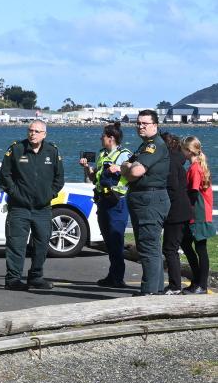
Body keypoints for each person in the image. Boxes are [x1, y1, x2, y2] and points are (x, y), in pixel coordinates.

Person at [0, 120, 65, 291]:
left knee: (42, 243)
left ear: (44, 134)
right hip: (19, 208)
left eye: (36, 131)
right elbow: (5, 176)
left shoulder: (52, 151)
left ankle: (36, 277)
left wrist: (50, 194)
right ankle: (13, 279)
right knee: (16, 244)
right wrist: (16, 194)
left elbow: (59, 178)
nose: (32, 134)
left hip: (42, 209)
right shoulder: (16, 149)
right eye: (30, 130)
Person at [121, 109, 170, 296]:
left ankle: (149, 293)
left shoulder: (154, 146)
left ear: (155, 126)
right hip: (145, 199)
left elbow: (134, 171)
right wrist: (127, 166)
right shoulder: (144, 146)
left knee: (148, 246)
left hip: (149, 200)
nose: (140, 126)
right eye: (138, 123)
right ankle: (155, 290)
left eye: (145, 123)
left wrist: (127, 168)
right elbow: (127, 164)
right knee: (151, 247)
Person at [79, 122, 132, 288]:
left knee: (116, 240)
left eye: (103, 136)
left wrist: (121, 168)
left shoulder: (124, 155)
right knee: (109, 241)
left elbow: (132, 174)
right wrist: (86, 167)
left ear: (111, 138)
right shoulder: (102, 154)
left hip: (118, 202)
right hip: (103, 200)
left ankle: (118, 277)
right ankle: (112, 274)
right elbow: (94, 177)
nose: (100, 138)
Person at [180, 136, 215, 295]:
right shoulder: (198, 166)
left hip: (198, 213)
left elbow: (193, 192)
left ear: (188, 151)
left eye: (182, 149)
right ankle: (197, 281)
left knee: (201, 249)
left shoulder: (195, 168)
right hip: (200, 213)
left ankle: (202, 284)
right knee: (187, 244)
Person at [161, 133, 193, 295]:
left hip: (176, 211)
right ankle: (196, 281)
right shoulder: (177, 161)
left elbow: (172, 188)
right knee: (185, 247)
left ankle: (175, 285)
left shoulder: (170, 163)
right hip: (183, 209)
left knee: (170, 248)